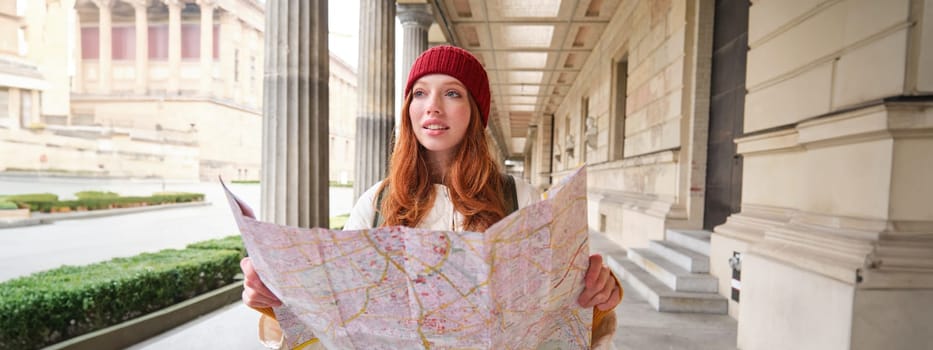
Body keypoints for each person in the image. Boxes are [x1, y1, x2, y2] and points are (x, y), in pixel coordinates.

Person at [240, 45, 622, 348]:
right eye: (420, 93)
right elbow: (335, 314)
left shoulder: (518, 196)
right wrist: (277, 299)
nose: (432, 106)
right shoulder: (374, 204)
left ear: (475, 112)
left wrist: (601, 292)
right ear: (408, 110)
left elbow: (556, 308)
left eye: (451, 93)